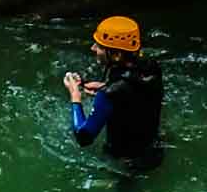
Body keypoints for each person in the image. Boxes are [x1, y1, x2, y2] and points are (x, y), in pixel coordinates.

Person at [62, 15, 164, 170]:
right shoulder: (151, 68)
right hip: (155, 151)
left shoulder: (111, 94)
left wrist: (75, 95)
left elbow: (84, 137)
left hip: (126, 164)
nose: (93, 48)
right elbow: (135, 94)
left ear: (117, 55)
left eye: (100, 46)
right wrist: (104, 86)